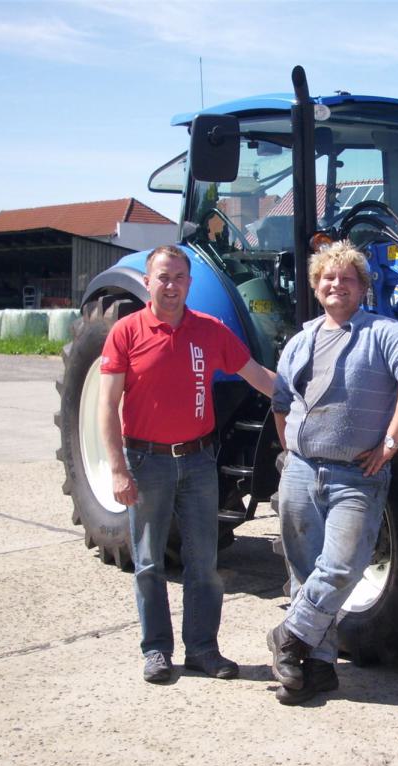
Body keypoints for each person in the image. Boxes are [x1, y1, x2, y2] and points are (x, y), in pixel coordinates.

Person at [98, 244, 277, 684]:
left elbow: (256, 375)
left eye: (179, 278)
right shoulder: (126, 332)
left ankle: (202, 650)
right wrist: (118, 469)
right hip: (147, 462)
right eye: (163, 277)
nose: (171, 286)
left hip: (198, 461)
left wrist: (308, 396)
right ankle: (157, 650)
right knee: (149, 564)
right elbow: (107, 405)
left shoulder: (210, 330)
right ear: (147, 282)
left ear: (189, 284)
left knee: (204, 564)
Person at [268, 240, 398, 705]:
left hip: (355, 476)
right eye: (328, 277)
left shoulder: (384, 332)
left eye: (347, 278)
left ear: (363, 287)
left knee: (343, 567)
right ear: (315, 285)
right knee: (305, 572)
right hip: (301, 471)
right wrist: (291, 453)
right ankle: (316, 669)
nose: (336, 285)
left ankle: (288, 635)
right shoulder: (300, 341)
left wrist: (391, 442)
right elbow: (281, 402)